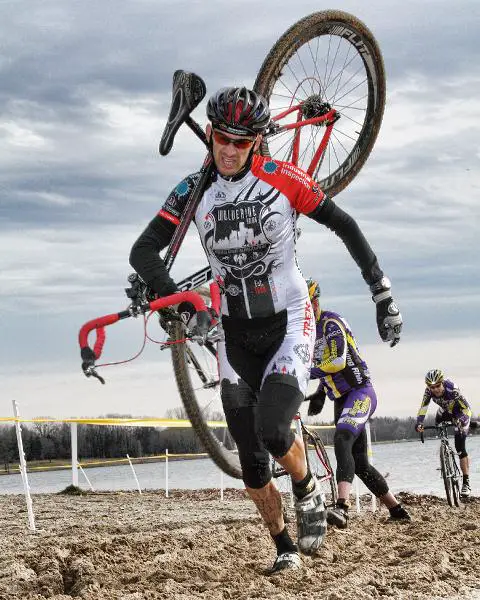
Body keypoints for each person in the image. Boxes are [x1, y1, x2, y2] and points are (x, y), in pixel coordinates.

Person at [129, 86, 403, 572]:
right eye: (221, 139)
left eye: (242, 140)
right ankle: (283, 546)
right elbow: (144, 250)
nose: (229, 150)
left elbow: (345, 224)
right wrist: (171, 295)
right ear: (210, 134)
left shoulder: (281, 178)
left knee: (275, 431)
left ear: (257, 141)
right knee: (253, 468)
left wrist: (381, 291)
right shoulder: (192, 191)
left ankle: (306, 486)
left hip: (288, 322)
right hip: (232, 334)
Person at [305, 278, 411, 528]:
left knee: (342, 439)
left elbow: (338, 361)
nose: (304, 312)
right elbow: (325, 365)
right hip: (340, 399)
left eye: (307, 305)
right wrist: (321, 392)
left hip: (360, 392)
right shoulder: (306, 333)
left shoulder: (331, 323)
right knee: (360, 463)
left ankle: (342, 507)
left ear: (315, 301)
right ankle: (397, 510)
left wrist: (305, 373)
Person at [415, 369, 473, 497]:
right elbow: (423, 408)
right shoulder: (428, 392)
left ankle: (466, 482)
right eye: (432, 387)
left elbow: (467, 408)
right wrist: (419, 423)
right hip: (445, 411)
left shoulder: (452, 389)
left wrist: (462, 420)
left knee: (460, 448)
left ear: (442, 383)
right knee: (438, 420)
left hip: (460, 413)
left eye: (437, 386)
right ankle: (445, 451)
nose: (435, 389)